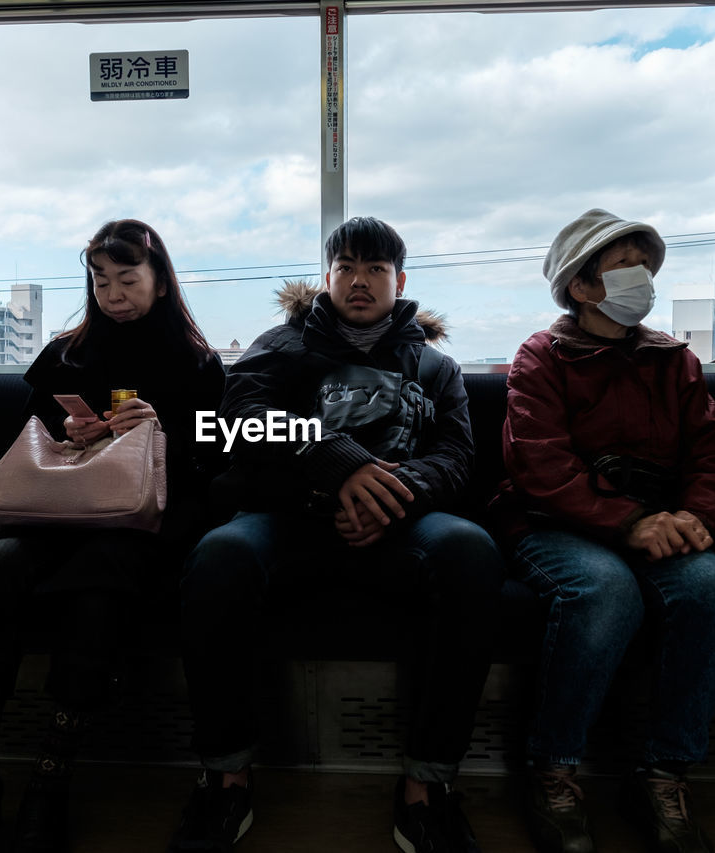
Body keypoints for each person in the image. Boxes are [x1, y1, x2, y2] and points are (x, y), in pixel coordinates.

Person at [166, 216, 505, 853]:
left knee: (471, 552)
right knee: (218, 558)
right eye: (346, 266)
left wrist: (388, 498)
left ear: (399, 282)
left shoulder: (436, 367)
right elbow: (234, 425)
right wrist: (337, 463)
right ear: (327, 278)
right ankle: (226, 776)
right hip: (288, 517)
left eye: (375, 269)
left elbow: (457, 459)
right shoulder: (278, 346)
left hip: (402, 522)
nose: (359, 280)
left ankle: (428, 786)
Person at [0, 219, 226, 853]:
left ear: (160, 281)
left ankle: (50, 780)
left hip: (140, 523)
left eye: (127, 280)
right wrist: (72, 436)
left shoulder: (198, 363)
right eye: (100, 281)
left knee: (100, 584)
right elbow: (26, 441)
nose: (112, 294)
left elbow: (217, 458)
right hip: (53, 512)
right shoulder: (66, 352)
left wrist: (162, 432)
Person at [491, 209, 715, 853]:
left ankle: (662, 774)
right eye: (623, 265)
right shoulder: (540, 358)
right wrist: (628, 521)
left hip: (657, 523)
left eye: (644, 265)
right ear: (581, 287)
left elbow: (710, 452)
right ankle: (554, 768)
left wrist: (697, 516)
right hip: (554, 523)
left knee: (713, 590)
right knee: (604, 591)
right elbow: (541, 465)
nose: (643, 279)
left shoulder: (673, 360)